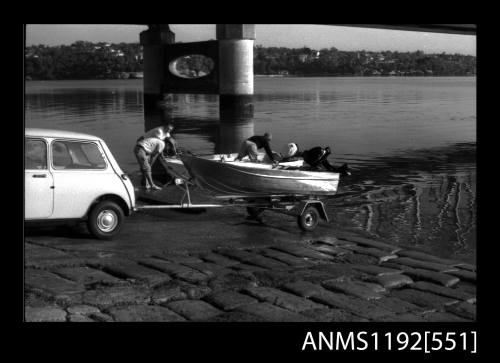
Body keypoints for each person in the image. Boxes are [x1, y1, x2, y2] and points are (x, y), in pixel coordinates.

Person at [281, 143, 351, 176]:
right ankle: (343, 170)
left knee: (328, 168)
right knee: (329, 167)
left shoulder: (305, 157)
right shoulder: (305, 155)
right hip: (319, 155)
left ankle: (343, 170)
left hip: (318, 156)